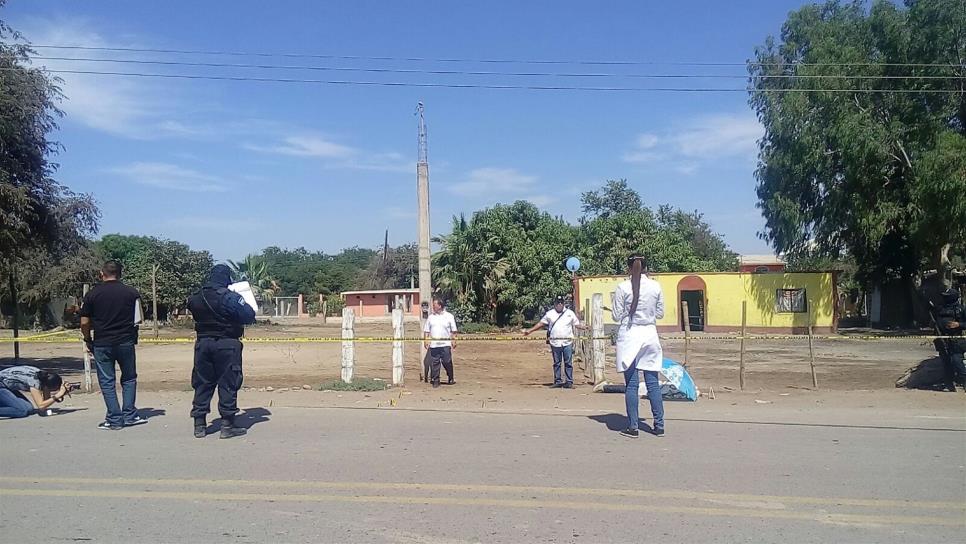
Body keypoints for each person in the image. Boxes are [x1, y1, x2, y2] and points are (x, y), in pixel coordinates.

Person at [186, 264, 257, 439]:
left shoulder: (196, 296)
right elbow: (248, 315)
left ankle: (199, 424)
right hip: (227, 343)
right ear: (227, 278)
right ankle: (227, 424)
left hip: (203, 344)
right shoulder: (229, 297)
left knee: (202, 382)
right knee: (228, 382)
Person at [80, 260, 146, 430]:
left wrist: (87, 339)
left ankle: (115, 419)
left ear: (102, 273)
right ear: (120, 273)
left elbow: (84, 321)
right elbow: (138, 319)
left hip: (102, 343)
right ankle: (130, 415)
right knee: (129, 378)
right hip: (126, 342)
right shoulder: (132, 293)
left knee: (107, 381)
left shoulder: (93, 294)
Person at [612, 255, 666, 438]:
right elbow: (660, 313)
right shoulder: (656, 286)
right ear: (646, 267)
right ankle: (659, 426)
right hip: (650, 335)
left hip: (630, 335)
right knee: (653, 384)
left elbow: (616, 316)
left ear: (628, 268)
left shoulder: (622, 287)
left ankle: (633, 427)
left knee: (632, 385)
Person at [523, 295, 586, 388]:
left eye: (561, 303)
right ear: (555, 304)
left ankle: (569, 382)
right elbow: (541, 323)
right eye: (558, 303)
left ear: (563, 304)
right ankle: (558, 381)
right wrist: (530, 331)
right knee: (557, 363)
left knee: (568, 363)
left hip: (567, 342)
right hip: (555, 343)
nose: (559, 305)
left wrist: (584, 327)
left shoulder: (569, 313)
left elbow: (576, 324)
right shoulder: (549, 314)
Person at [0, 366, 69, 419]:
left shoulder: (43, 375)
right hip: (1, 386)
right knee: (22, 411)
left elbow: (46, 402)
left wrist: (62, 389)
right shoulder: (34, 383)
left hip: (7, 386)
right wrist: (58, 394)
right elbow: (41, 406)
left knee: (29, 408)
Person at [423, 297, 458, 388]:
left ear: (440, 305)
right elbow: (426, 330)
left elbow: (454, 330)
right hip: (434, 345)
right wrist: (426, 340)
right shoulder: (431, 317)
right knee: (435, 362)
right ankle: (436, 380)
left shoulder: (449, 316)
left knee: (447, 361)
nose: (433, 307)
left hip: (445, 344)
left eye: (434, 305)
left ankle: (450, 376)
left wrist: (454, 340)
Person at [936, 288, 966, 391]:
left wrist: (959, 324)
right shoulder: (940, 308)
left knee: (957, 361)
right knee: (946, 363)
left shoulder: (961, 309)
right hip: (942, 339)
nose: (945, 298)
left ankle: (964, 382)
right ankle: (949, 385)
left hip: (956, 340)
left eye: (947, 296)